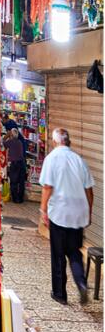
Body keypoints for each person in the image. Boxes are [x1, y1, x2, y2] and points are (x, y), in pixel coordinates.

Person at [39, 127, 94, 305]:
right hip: (78, 214)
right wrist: (88, 212)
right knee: (74, 252)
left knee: (58, 255)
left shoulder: (51, 159)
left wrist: (43, 210)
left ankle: (59, 294)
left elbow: (48, 187)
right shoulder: (79, 160)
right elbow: (89, 190)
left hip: (60, 213)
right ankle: (81, 282)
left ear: (55, 141)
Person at [5, 127, 26, 203]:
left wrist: (6, 136)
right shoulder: (19, 142)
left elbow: (2, 143)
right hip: (22, 163)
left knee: (14, 181)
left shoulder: (10, 142)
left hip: (15, 163)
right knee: (21, 182)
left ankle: (15, 199)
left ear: (11, 135)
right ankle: (20, 198)